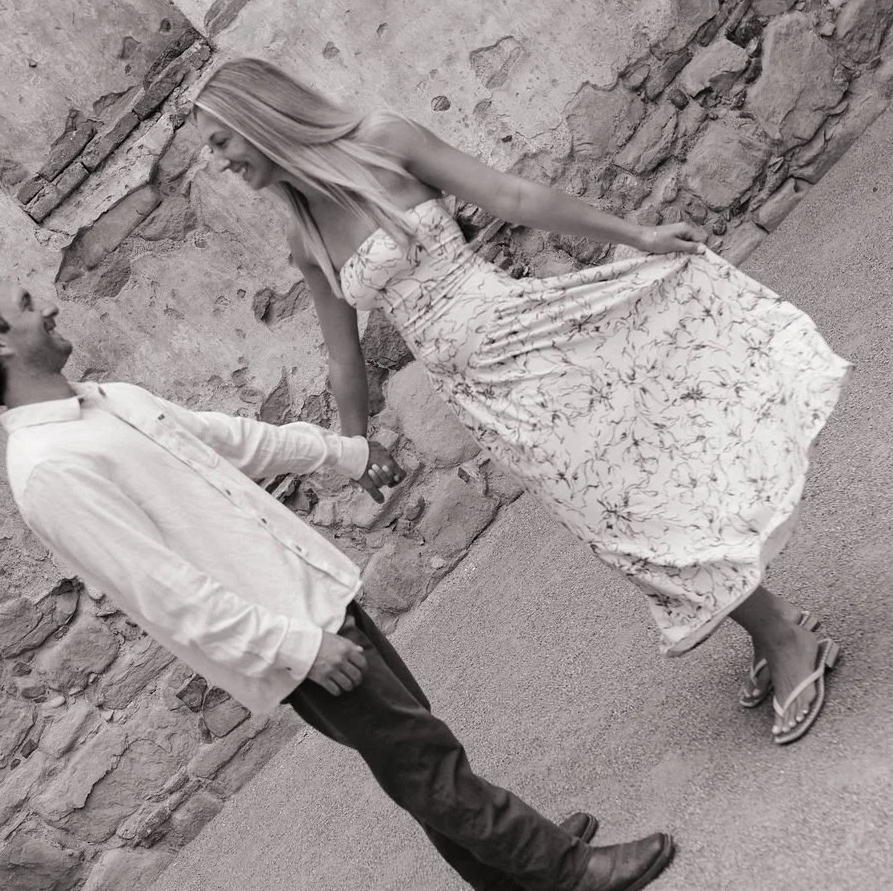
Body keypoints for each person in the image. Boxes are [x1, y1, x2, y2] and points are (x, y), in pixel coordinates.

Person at [0, 272, 676, 891]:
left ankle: (501, 874)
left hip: (307, 589)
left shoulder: (106, 402)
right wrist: (297, 649)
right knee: (426, 759)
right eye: (27, 304)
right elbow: (164, 592)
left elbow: (232, 440)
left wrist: (345, 454)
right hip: (288, 634)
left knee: (414, 748)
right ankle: (564, 873)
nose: (49, 307)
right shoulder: (48, 470)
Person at [190, 58, 849, 746]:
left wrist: (636, 235)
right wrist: (352, 446)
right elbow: (341, 357)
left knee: (628, 504)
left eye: (219, 141)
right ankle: (772, 623)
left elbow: (511, 196)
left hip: (532, 346)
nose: (218, 161)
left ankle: (783, 638)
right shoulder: (304, 237)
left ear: (257, 117)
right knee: (613, 518)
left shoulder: (383, 140)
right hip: (484, 396)